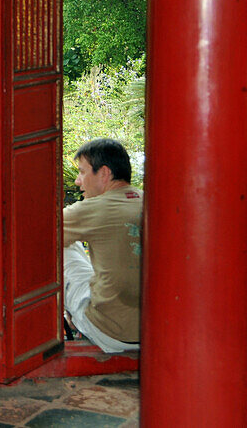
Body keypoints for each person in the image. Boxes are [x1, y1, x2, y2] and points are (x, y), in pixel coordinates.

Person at [62, 138, 143, 353]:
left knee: (63, 247)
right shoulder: (152, 201)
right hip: (154, 331)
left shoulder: (92, 209)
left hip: (110, 332)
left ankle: (71, 318)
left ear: (104, 174)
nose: (78, 181)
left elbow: (35, 235)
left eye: (82, 172)